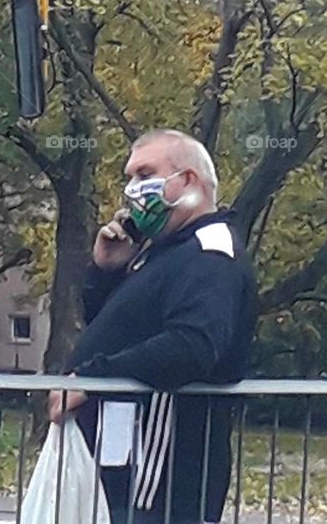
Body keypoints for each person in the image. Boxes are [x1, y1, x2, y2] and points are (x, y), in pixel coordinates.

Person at [50, 129, 256, 524]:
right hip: (122, 474)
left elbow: (191, 347)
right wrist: (107, 274)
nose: (132, 190)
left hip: (156, 486)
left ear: (189, 182)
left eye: (144, 175)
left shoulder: (210, 253)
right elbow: (120, 332)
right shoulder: (165, 253)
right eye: (129, 178)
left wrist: (91, 378)